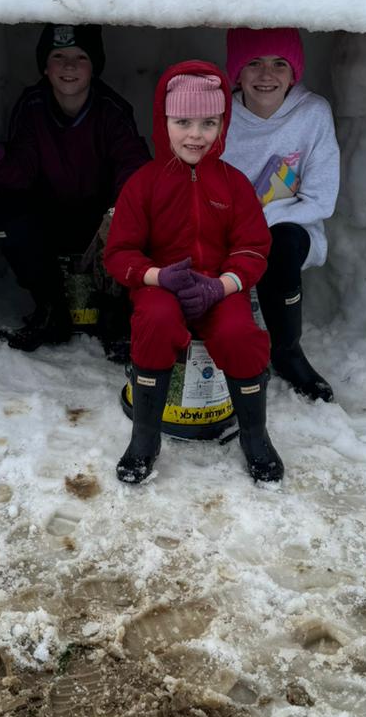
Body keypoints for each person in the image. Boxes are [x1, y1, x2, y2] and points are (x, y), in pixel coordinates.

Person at [104, 60, 284, 487]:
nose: (195, 134)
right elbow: (119, 252)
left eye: (208, 122)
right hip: (161, 287)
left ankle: (255, 435)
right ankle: (145, 436)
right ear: (163, 121)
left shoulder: (234, 183)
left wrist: (221, 285)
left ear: (222, 125)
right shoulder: (143, 184)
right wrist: (156, 277)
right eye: (182, 121)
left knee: (240, 333)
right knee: (156, 321)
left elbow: (253, 247)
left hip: (218, 289)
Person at [0, 23, 149, 353]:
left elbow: (133, 164)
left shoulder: (111, 110)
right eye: (58, 56)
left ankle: (116, 312)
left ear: (94, 65)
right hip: (50, 219)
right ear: (44, 65)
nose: (69, 66)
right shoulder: (33, 106)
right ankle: (50, 308)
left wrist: (119, 211)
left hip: (100, 223)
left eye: (80, 57)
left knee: (138, 217)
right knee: (7, 216)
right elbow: (19, 177)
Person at [221, 27, 339, 402]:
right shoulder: (220, 115)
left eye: (279, 64)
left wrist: (261, 225)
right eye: (253, 63)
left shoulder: (313, 114)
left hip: (288, 227)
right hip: (225, 229)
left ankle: (286, 351)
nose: (266, 75)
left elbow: (322, 199)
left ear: (294, 72)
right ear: (237, 72)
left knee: (282, 245)